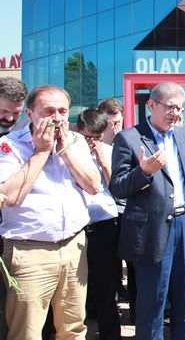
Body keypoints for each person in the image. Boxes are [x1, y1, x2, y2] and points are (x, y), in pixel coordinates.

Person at [109, 82, 185, 340]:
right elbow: (118, 187)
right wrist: (143, 171)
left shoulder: (184, 136)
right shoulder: (129, 138)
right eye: (170, 107)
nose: (175, 113)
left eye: (180, 108)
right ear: (151, 105)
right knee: (153, 301)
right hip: (152, 231)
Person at [0, 85, 101, 340]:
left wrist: (65, 151)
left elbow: (93, 186)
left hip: (73, 246)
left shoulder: (76, 141)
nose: (57, 118)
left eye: (62, 111)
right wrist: (42, 151)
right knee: (26, 332)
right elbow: (10, 196)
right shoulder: (9, 145)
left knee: (73, 328)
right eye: (49, 111)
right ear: (29, 114)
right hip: (29, 251)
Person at [75, 109, 122, 339]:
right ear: (78, 131)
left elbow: (119, 189)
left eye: (97, 137)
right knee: (74, 288)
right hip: (77, 226)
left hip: (105, 224)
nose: (92, 142)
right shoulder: (69, 151)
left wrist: (104, 164)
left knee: (107, 287)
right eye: (88, 137)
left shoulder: (110, 152)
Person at [0, 76, 27, 340]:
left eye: (15, 113)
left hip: (12, 228)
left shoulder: (24, 136)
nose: (9, 118)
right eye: (3, 111)